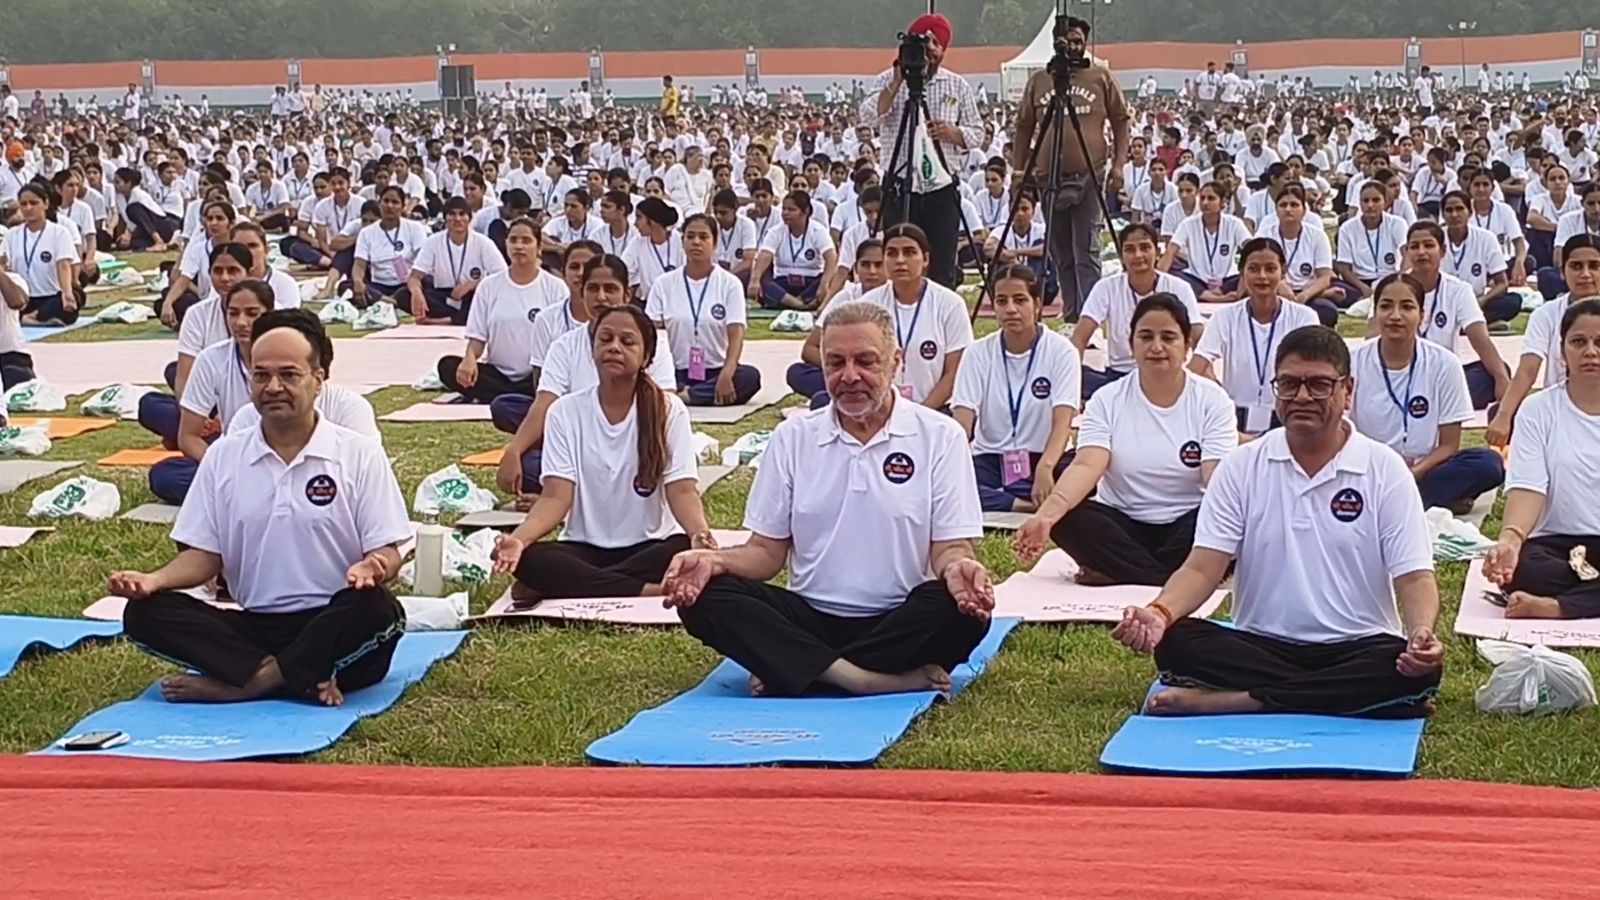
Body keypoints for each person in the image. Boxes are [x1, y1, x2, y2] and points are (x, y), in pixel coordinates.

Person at [662, 300, 994, 697]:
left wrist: (958, 567)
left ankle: (796, 666)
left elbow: (950, 547)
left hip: (900, 618)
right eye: (836, 363)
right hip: (810, 616)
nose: (850, 376)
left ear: (895, 362)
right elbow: (765, 553)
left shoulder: (940, 436)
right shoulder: (794, 437)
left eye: (866, 361)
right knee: (705, 597)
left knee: (962, 610)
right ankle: (862, 680)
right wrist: (713, 561)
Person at [1112, 324, 1444, 718]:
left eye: (1319, 385)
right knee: (1177, 642)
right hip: (1260, 644)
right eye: (1289, 384)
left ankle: (1242, 700)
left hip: (1358, 644)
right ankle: (1347, 698)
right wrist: (1161, 612)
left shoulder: (1384, 469)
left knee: (1412, 667)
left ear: (1348, 391)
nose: (1302, 396)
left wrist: (1421, 633)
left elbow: (1414, 576)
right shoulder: (1241, 466)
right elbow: (1202, 568)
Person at [110, 313, 411, 706]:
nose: (273, 387)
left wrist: (375, 566)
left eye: (289, 375)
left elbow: (388, 549)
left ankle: (252, 683)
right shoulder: (224, 456)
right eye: (261, 375)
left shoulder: (358, 454)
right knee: (145, 613)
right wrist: (153, 580)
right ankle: (298, 675)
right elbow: (204, 556)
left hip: (334, 621)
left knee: (378, 609)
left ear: (318, 380)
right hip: (256, 627)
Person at [491, 305, 715, 604]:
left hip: (651, 545)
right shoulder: (564, 412)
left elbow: (682, 490)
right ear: (592, 349)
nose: (614, 348)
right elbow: (555, 497)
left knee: (681, 550)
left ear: (646, 356)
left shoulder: (669, 409)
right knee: (532, 559)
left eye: (627, 341)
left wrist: (699, 533)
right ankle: (648, 590)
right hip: (584, 547)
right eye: (605, 339)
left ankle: (570, 585)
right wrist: (518, 540)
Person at [1015, 295, 1237, 586]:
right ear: (1132, 346)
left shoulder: (1213, 400)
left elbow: (1215, 476)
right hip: (1122, 522)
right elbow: (1086, 466)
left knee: (1222, 518)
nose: (1156, 346)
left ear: (1187, 346)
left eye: (1168, 337)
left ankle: (1122, 572)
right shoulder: (1107, 400)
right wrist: (1045, 516)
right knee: (1067, 518)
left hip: (1186, 523)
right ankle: (1173, 578)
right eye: (1146, 337)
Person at [493, 255, 676, 502]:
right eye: (592, 289)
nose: (601, 297)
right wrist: (514, 450)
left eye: (610, 289)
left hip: (632, 447)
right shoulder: (565, 345)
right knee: (519, 442)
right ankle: (571, 492)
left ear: (626, 294)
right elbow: (546, 402)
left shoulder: (653, 343)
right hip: (579, 446)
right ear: (581, 292)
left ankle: (569, 494)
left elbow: (664, 408)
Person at [1349, 273, 1504, 512]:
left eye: (1407, 307)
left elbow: (1449, 444)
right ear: (1375, 313)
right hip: (1369, 468)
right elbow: (1342, 436)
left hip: (1424, 469)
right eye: (1386, 306)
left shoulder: (1444, 363)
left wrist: (1412, 473)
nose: (1395, 316)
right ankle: (1420, 501)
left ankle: (1397, 501)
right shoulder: (1352, 362)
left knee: (1488, 464)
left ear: (1422, 315)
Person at [1485, 299, 1600, 620]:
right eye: (1579, 342)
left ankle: (1558, 607)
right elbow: (1528, 487)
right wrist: (1510, 539)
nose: (1591, 352)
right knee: (1523, 571)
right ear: (1562, 352)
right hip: (1557, 546)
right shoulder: (1537, 411)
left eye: (1599, 342)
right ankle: (1588, 596)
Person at [1011, 15, 1130, 318]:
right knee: (1061, 250)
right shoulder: (1040, 80)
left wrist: (1118, 165)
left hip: (1090, 173)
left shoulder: (1100, 77)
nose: (1074, 47)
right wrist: (1019, 170)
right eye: (1068, 42)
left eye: (1079, 42)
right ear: (1056, 43)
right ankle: (1071, 313)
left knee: (1086, 249)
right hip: (1048, 177)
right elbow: (1024, 127)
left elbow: (1121, 121)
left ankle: (1090, 316)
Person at [862, 12, 983, 289]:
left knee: (941, 265)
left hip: (941, 186)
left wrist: (952, 133)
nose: (928, 51)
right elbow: (868, 117)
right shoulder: (887, 80)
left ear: (943, 50)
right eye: (922, 43)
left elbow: (977, 133)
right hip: (899, 185)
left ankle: (940, 311)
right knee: (899, 261)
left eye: (934, 44)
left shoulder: (957, 85)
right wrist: (896, 83)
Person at [952, 265, 1081, 513]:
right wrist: (951, 461)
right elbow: (962, 419)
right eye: (1002, 301)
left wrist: (1045, 468)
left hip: (1046, 457)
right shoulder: (977, 353)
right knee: (954, 483)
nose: (1010, 309)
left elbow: (1063, 422)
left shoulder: (1062, 351)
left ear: (1037, 305)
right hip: (992, 458)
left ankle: (1003, 496)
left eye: (1020, 300)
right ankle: (1023, 505)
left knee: (1083, 477)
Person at [830, 224, 971, 410]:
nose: (900, 260)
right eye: (892, 253)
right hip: (880, 409)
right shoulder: (868, 304)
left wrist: (921, 414)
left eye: (909, 252)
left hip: (936, 410)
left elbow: (954, 372)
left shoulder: (950, 304)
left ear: (925, 259)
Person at [1190, 238, 1320, 435]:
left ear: (1283, 271)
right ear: (1242, 273)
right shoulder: (1225, 317)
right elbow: (1196, 368)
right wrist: (1219, 395)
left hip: (1288, 414)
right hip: (1235, 416)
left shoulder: (1304, 317)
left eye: (1270, 269)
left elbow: (1314, 370)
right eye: (1253, 269)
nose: (1262, 276)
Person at [437, 217, 567, 404]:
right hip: (497, 374)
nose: (519, 246)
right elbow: (477, 337)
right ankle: (512, 395)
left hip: (537, 374)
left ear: (539, 248)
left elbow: (562, 341)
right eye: (513, 240)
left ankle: (510, 396)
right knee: (447, 366)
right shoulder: (489, 286)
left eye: (526, 241)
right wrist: (469, 358)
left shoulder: (555, 288)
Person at [138, 244, 253, 450]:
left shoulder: (273, 313)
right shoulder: (198, 314)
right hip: (208, 402)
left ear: (250, 273)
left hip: (255, 411)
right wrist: (194, 416)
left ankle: (207, 440)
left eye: (233, 271)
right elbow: (184, 377)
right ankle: (202, 437)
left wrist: (228, 418)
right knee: (151, 403)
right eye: (217, 271)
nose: (225, 278)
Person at [1488, 235, 1600, 446]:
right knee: (1503, 412)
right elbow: (1528, 370)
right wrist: (1504, 415)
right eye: (1576, 266)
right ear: (1562, 271)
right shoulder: (1546, 314)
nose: (1585, 274)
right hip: (1559, 410)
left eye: (1594, 266)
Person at [645, 213, 761, 406]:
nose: (696, 242)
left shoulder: (729, 283)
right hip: (675, 370)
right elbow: (653, 334)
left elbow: (736, 334)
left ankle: (685, 396)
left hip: (715, 369)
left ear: (714, 243)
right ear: (682, 242)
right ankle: (693, 394)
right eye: (690, 237)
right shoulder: (663, 284)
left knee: (750, 377)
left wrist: (727, 373)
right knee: (647, 378)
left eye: (703, 237)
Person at [1076, 223, 1202, 399]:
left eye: (1144, 248)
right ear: (1121, 257)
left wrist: (1198, 378)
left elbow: (1198, 339)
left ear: (1157, 252)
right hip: (1120, 376)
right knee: (1071, 374)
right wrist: (1071, 389)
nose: (1138, 255)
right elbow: (1079, 338)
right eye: (1129, 250)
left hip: (1166, 373)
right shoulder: (1106, 287)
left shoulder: (1180, 287)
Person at [1399, 222, 1511, 411]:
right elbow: (1373, 339)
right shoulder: (1391, 289)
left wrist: (1501, 378)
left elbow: (1480, 338)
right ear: (1407, 252)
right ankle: (1441, 403)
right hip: (1401, 375)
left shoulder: (1459, 290)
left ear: (1442, 251)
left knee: (1496, 370)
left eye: (1428, 245)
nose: (1421, 252)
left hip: (1445, 375)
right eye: (1414, 247)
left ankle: (1432, 403)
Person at [787, 238, 889, 405]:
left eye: (879, 265)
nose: (872, 271)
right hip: (843, 373)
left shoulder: (894, 298)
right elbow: (809, 349)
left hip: (879, 375)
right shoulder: (847, 296)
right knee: (796, 372)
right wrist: (841, 367)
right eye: (865, 265)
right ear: (855, 269)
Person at [1256, 184, 1354, 327]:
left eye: (1294, 205)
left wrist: (1304, 296)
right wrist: (1279, 285)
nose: (1288, 209)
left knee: (1327, 312)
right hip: (1272, 290)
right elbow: (1258, 271)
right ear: (1276, 210)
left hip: (1308, 292)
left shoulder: (1317, 236)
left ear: (1304, 210)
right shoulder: (1265, 235)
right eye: (1283, 205)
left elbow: (1324, 277)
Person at [407, 196, 507, 325]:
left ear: (469, 218)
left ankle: (439, 320)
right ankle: (457, 318)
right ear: (445, 218)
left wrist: (472, 284)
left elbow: (502, 275)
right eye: (452, 214)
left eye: (462, 214)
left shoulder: (483, 242)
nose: (457, 219)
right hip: (444, 295)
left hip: (471, 294)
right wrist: (416, 292)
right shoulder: (433, 241)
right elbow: (414, 276)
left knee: (485, 300)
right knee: (404, 294)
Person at [0, 182, 80, 326]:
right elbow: (4, 265)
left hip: (50, 296)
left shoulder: (59, 232)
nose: (28, 208)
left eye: (33, 203)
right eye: (23, 204)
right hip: (22, 297)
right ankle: (31, 318)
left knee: (74, 300)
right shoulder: (11, 235)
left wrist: (67, 293)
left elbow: (63, 265)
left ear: (46, 204)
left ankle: (30, 317)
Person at [1158, 182, 1252, 302]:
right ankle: (1213, 297)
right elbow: (1171, 251)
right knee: (1173, 273)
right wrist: (1158, 278)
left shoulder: (1234, 223)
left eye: (1211, 198)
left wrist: (1242, 284)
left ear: (1223, 202)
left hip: (1227, 280)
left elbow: (1251, 248)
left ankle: (1217, 293)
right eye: (1202, 198)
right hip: (1197, 280)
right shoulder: (1188, 224)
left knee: (1251, 271)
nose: (1205, 203)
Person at [1438, 191, 1517, 330]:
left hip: (1476, 300)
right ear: (1443, 215)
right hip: (1442, 301)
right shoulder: (1435, 238)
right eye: (1449, 210)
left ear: (1470, 212)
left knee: (1513, 302)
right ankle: (1477, 325)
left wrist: (1483, 299)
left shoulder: (1486, 238)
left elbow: (1502, 283)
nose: (1454, 214)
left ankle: (1460, 325)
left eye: (1459, 209)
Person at [746, 189, 837, 311]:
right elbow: (765, 255)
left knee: (833, 278)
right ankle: (800, 305)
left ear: (806, 211)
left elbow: (831, 258)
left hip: (810, 280)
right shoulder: (776, 231)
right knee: (762, 282)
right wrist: (754, 280)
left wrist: (824, 283)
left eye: (791, 209)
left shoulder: (818, 231)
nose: (785, 213)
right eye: (784, 209)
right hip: (783, 281)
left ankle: (789, 302)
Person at [158, 199, 234, 327]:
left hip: (234, 301)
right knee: (168, 299)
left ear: (231, 223)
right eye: (210, 219)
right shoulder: (198, 249)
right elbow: (183, 280)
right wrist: (168, 302)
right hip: (205, 301)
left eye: (220, 219)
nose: (214, 223)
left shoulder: (239, 248)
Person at [351, 185, 428, 309]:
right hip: (378, 285)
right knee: (346, 287)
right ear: (379, 203)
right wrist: (358, 282)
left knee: (426, 287)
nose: (390, 206)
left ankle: (384, 301)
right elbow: (359, 264)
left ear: (403, 206)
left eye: (395, 202)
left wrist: (414, 283)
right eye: (386, 201)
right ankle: (388, 301)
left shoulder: (414, 228)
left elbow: (424, 262)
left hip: (406, 284)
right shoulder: (366, 232)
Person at [1334, 181, 1409, 300]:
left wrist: (1399, 281)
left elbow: (1407, 256)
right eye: (1365, 201)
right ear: (1360, 203)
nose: (1370, 205)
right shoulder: (1347, 228)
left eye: (1376, 200)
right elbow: (1344, 268)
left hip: (1390, 279)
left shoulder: (1397, 224)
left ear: (1386, 201)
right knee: (1339, 291)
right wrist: (1363, 288)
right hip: (1359, 282)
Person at [623, 196, 683, 299]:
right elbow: (624, 269)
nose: (635, 223)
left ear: (652, 220)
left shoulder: (679, 240)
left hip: (677, 299)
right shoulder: (638, 242)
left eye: (639, 217)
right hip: (649, 301)